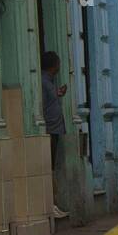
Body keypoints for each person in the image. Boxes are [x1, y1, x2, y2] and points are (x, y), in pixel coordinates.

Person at [40, 50, 68, 219]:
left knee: (52, 168)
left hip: (55, 129)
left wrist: (58, 94)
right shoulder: (43, 81)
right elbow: (43, 105)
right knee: (49, 168)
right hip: (50, 129)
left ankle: (54, 204)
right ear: (53, 65)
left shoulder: (49, 82)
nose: (60, 66)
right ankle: (51, 205)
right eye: (58, 63)